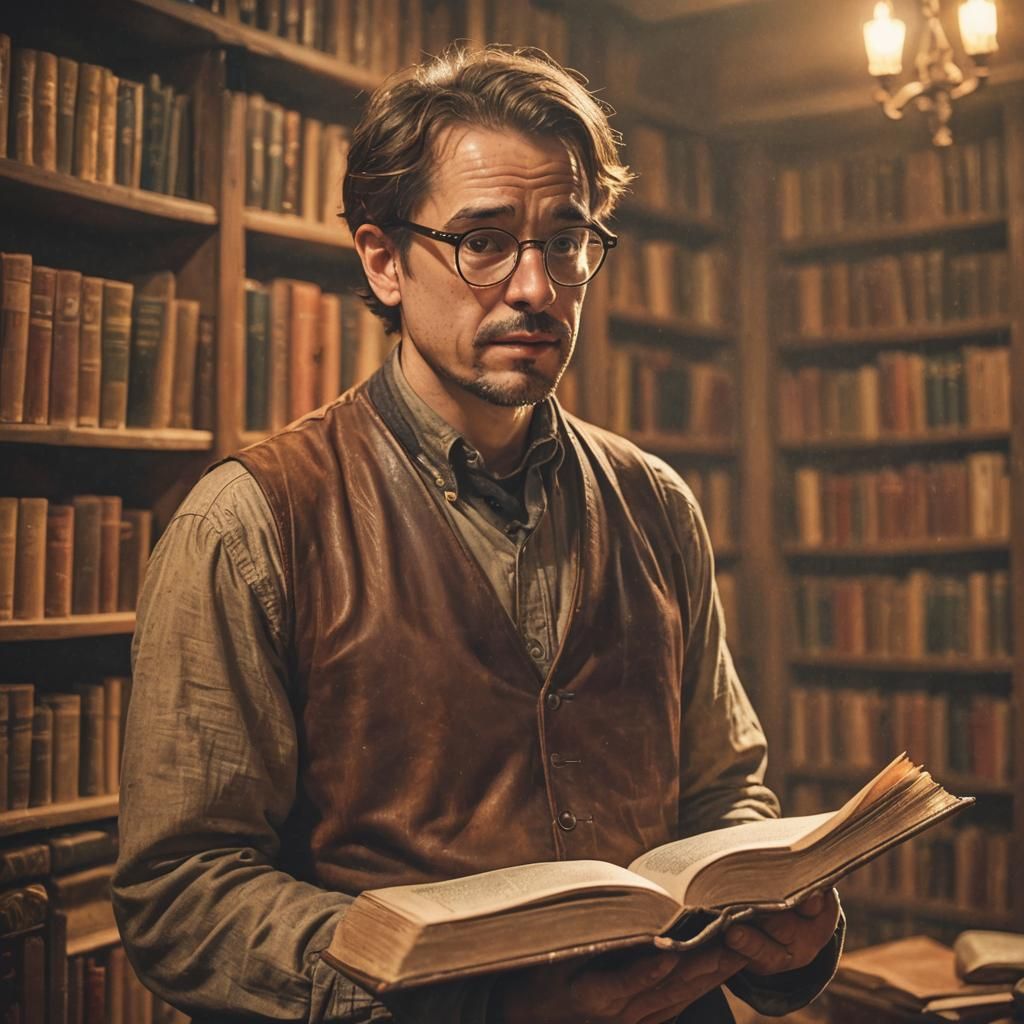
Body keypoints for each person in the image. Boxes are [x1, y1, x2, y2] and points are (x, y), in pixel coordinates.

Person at [112, 46, 843, 1024]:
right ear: (383, 261)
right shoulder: (251, 521)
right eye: (484, 242)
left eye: (566, 240)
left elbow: (724, 795)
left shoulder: (655, 502)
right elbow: (182, 897)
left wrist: (779, 931)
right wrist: (474, 998)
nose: (536, 286)